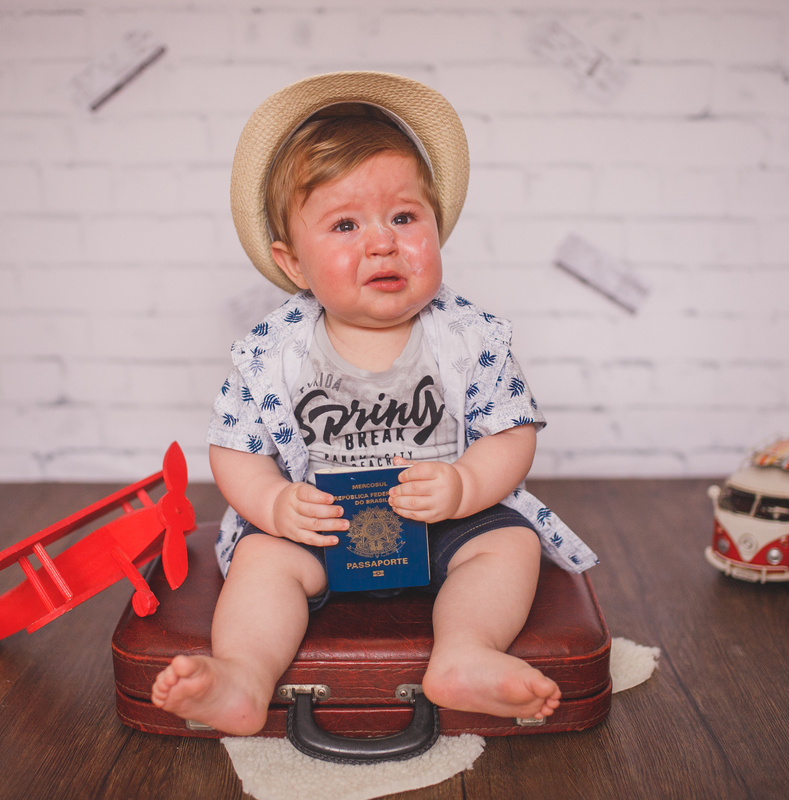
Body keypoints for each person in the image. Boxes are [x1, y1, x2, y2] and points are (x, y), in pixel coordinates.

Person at [151, 72, 597, 736]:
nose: (382, 242)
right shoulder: (273, 352)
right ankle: (242, 675)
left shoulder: (469, 338)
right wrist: (275, 504)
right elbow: (234, 449)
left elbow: (511, 433)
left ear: (436, 227)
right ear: (293, 263)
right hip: (320, 529)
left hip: (442, 523)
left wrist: (464, 485)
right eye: (345, 224)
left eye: (404, 218)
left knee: (510, 544)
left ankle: (465, 654)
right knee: (261, 562)